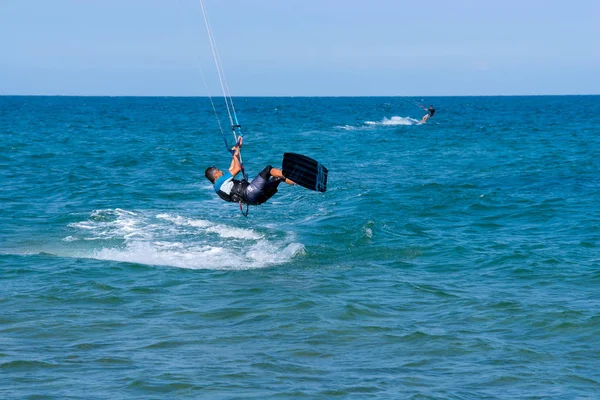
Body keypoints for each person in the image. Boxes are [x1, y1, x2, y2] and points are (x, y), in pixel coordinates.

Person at [205, 137, 295, 206]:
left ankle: (296, 181)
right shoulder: (220, 181)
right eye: (218, 170)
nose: (221, 171)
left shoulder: (219, 187)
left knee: (278, 177)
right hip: (251, 192)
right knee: (268, 169)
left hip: (256, 200)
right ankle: (293, 177)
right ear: (215, 175)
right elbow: (237, 169)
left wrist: (237, 149)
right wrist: (235, 155)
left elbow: (232, 168)